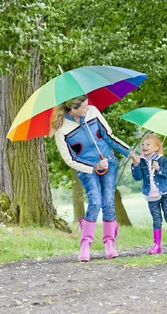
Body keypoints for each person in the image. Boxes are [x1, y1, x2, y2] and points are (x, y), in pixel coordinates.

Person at [50, 95, 131, 262]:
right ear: (73, 109)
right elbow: (70, 160)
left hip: (108, 162)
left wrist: (129, 152)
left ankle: (109, 242)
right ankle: (85, 244)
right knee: (95, 202)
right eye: (84, 107)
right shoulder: (61, 129)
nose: (88, 108)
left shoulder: (92, 112)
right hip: (87, 170)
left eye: (88, 106)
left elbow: (109, 136)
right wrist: (93, 168)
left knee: (108, 202)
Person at [129, 133, 167, 254]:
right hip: (151, 196)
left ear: (156, 147)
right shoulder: (141, 161)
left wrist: (158, 168)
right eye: (142, 144)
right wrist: (135, 164)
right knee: (156, 220)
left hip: (165, 194)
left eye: (148, 144)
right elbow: (137, 177)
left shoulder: (162, 159)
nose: (144, 146)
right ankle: (157, 246)